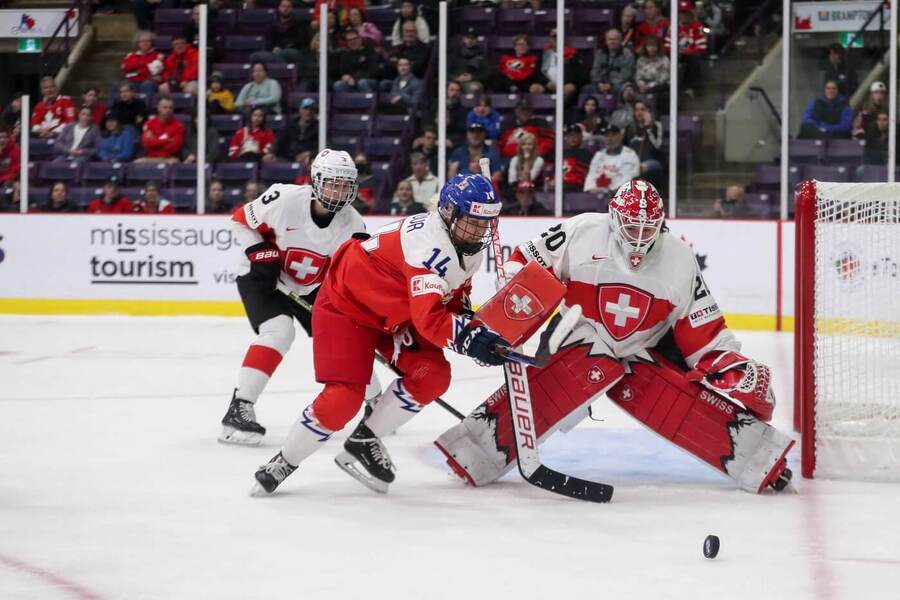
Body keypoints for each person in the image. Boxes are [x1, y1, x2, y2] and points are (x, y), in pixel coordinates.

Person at [436, 180, 795, 495]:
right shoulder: (582, 231)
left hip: (645, 345)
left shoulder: (680, 258)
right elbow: (526, 259)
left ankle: (761, 460)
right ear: (613, 216)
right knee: (568, 374)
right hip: (575, 334)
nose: (639, 237)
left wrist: (729, 366)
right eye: (631, 227)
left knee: (669, 393)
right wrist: (513, 285)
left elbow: (702, 330)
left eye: (647, 228)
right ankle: (474, 451)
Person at [251, 174, 510, 494]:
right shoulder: (430, 245)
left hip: (396, 315)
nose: (479, 230)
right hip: (346, 307)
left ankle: (364, 440)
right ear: (448, 212)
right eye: (472, 221)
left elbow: (451, 295)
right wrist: (469, 339)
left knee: (433, 375)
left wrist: (472, 326)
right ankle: (283, 462)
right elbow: (429, 319)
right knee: (343, 399)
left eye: (485, 223)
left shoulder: (465, 245)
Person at [220, 148, 369, 445]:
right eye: (332, 183)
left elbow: (348, 276)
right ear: (315, 181)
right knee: (280, 331)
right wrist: (256, 250)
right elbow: (239, 221)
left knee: (346, 339)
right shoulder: (285, 199)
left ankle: (376, 402)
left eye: (345, 184)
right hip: (261, 277)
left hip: (311, 288)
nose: (338, 191)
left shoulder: (354, 225)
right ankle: (240, 407)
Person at [584, 123, 640, 196]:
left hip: (620, 196)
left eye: (613, 135)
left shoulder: (629, 154)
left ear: (620, 136)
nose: (609, 139)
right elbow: (591, 176)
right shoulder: (599, 155)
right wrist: (590, 189)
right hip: (596, 196)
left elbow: (628, 179)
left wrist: (608, 191)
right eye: (606, 136)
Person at [250, 0, 310, 66]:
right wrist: (272, 49)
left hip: (293, 51)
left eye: (288, 7)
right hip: (274, 53)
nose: (285, 9)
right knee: (254, 56)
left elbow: (299, 42)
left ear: (291, 9)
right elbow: (268, 42)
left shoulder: (298, 23)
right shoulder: (273, 25)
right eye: (283, 6)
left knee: (284, 53)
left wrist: (281, 48)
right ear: (279, 8)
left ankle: (282, 72)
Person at [626, 99, 664, 186]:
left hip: (653, 162)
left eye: (642, 109)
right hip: (634, 163)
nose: (639, 112)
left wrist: (648, 128)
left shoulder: (656, 125)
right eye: (637, 110)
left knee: (637, 168)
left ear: (648, 111)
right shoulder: (630, 127)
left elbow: (657, 145)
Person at [673, 0, 707, 95]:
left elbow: (701, 47)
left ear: (691, 13)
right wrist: (676, 52)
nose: (684, 16)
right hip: (676, 53)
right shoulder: (673, 26)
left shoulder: (697, 26)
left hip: (690, 54)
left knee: (694, 58)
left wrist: (687, 51)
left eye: (686, 13)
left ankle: (691, 87)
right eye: (682, 13)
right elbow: (667, 45)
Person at [332, 28, 382, 93]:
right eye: (349, 40)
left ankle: (369, 102)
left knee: (362, 82)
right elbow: (343, 71)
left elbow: (373, 71)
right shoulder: (346, 54)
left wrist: (355, 79)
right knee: (338, 84)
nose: (352, 42)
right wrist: (345, 76)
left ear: (360, 38)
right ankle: (348, 102)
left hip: (370, 80)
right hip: (352, 82)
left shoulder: (370, 51)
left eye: (354, 39)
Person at [137, 96, 185, 163]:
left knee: (173, 162)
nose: (168, 110)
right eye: (165, 107)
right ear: (158, 108)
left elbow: (174, 148)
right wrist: (167, 140)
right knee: (137, 162)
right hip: (150, 158)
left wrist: (156, 141)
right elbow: (148, 143)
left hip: (168, 158)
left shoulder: (179, 126)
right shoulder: (149, 124)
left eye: (170, 108)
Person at [588, 28, 635, 96]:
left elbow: (626, 74)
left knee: (624, 89)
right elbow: (594, 71)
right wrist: (599, 83)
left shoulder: (627, 54)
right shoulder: (600, 53)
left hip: (619, 84)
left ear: (620, 40)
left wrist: (611, 84)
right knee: (587, 89)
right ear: (606, 41)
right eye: (610, 39)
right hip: (601, 84)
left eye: (615, 39)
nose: (612, 42)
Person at [121, 31, 165, 95]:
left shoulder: (158, 56)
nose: (145, 43)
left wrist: (136, 69)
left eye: (148, 41)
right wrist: (146, 65)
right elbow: (125, 67)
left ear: (151, 43)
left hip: (149, 83)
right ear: (138, 43)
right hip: (132, 82)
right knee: (117, 84)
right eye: (143, 41)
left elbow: (153, 71)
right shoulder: (130, 55)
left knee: (147, 84)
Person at [275, 98, 319, 163]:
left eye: (311, 109)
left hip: (309, 160)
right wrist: (272, 153)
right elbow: (279, 142)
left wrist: (310, 153)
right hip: (289, 159)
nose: (308, 112)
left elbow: (328, 146)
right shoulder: (290, 125)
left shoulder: (320, 127)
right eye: (305, 108)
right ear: (300, 110)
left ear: (315, 111)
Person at [449, 28, 489, 94]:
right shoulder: (455, 52)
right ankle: (449, 104)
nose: (470, 40)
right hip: (454, 81)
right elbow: (445, 71)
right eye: (468, 38)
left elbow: (487, 73)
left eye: (472, 38)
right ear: (464, 39)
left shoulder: (481, 54)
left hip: (471, 81)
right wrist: (456, 78)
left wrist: (472, 77)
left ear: (476, 40)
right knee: (451, 88)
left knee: (475, 87)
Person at [636, 35, 670, 106]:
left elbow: (663, 78)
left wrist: (649, 86)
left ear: (658, 47)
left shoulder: (664, 59)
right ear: (645, 47)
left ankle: (654, 113)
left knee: (656, 90)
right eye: (649, 46)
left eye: (654, 46)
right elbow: (638, 76)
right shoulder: (641, 60)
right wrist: (641, 85)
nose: (651, 48)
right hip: (644, 85)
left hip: (659, 85)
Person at [559, 124, 593, 192]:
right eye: (570, 135)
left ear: (581, 137)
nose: (573, 138)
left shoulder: (586, 154)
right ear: (566, 137)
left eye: (576, 135)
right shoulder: (561, 153)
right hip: (562, 184)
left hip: (577, 186)